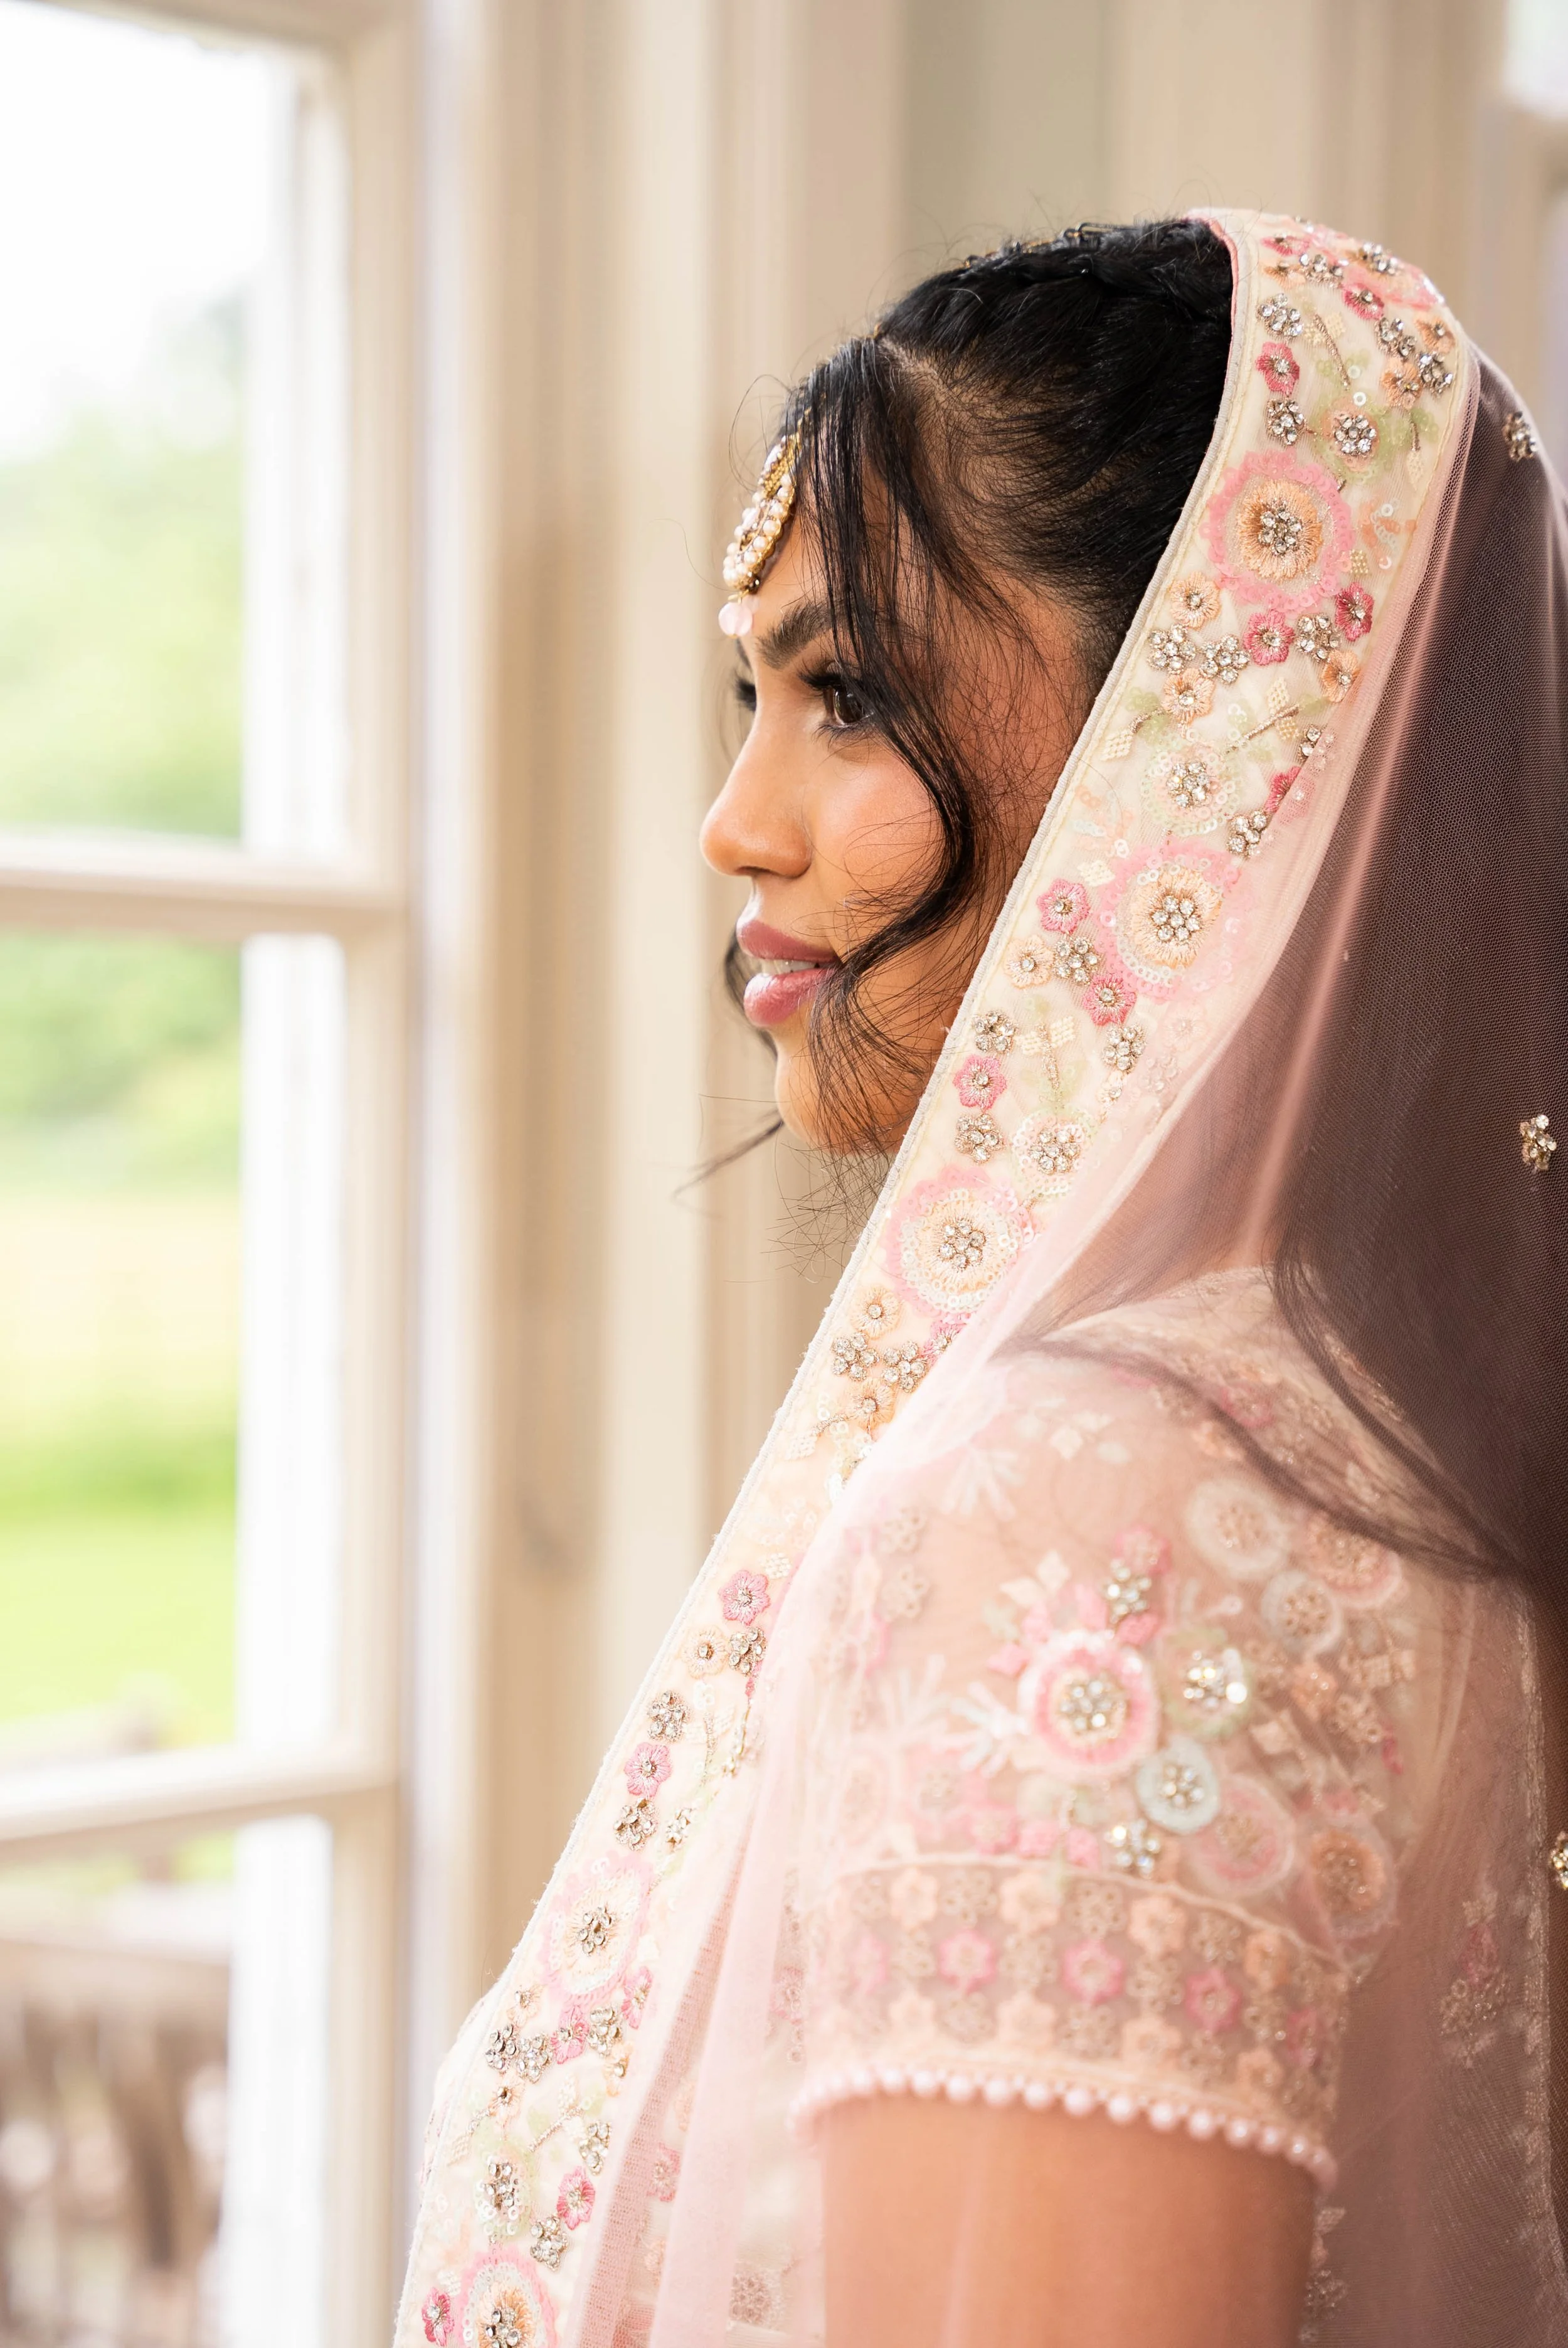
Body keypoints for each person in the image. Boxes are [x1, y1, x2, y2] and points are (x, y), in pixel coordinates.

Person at [396, 211, 1568, 2347]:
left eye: (843, 692)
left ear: (1211, 737)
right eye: (748, 697)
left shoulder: (1086, 1503)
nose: (730, 821)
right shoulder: (1386, 1423)